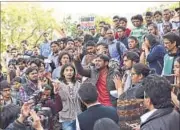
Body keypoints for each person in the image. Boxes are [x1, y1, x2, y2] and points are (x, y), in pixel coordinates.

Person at [113, 63, 151, 130]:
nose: (131, 76)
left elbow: (123, 104)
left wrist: (119, 87)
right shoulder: (149, 83)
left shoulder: (139, 88)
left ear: (140, 76)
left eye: (133, 74)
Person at [53, 64, 82, 130]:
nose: (69, 72)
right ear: (63, 72)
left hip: (78, 115)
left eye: (71, 70)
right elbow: (60, 100)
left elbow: (81, 98)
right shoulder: (58, 84)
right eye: (67, 70)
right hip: (65, 116)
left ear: (74, 72)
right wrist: (56, 92)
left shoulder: (79, 84)